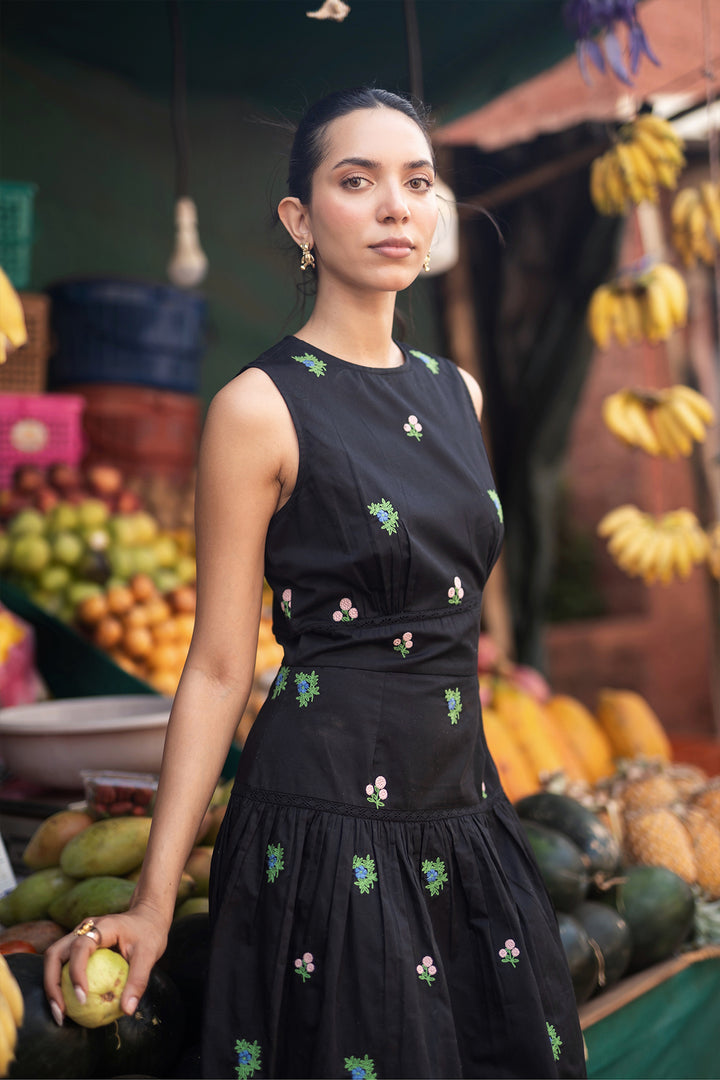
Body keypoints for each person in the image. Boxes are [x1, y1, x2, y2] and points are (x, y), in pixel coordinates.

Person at [45, 87, 586, 1079]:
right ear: (300, 219)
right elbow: (215, 668)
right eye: (357, 180)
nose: (395, 206)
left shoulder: (456, 393)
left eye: (417, 182)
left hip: (467, 810)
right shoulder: (257, 408)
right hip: (327, 824)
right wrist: (154, 901)